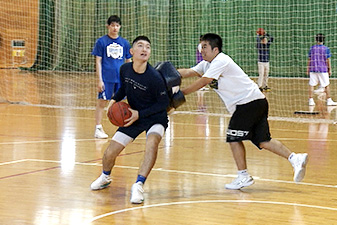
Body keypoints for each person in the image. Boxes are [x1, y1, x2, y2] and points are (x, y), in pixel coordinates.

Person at [178, 33, 308, 190]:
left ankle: (243, 175)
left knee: (233, 137)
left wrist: (182, 93)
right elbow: (187, 72)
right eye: (200, 47)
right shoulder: (206, 65)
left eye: (205, 47)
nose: (201, 50)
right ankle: (295, 158)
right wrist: (162, 76)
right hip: (256, 101)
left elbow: (204, 81)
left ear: (215, 49)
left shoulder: (221, 60)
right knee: (263, 141)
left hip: (248, 103)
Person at [90, 36, 170, 204]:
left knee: (152, 144)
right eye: (140, 46)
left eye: (148, 47)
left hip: (155, 117)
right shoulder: (125, 69)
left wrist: (139, 114)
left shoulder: (154, 77)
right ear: (131, 52)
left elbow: (163, 103)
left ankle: (139, 185)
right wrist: (112, 103)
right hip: (133, 115)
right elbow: (123, 90)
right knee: (110, 151)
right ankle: (105, 177)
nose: (144, 49)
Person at [91, 15, 132, 139]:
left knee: (121, 104)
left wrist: (129, 78)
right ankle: (98, 128)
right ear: (108, 26)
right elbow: (98, 61)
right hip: (107, 78)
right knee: (102, 102)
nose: (115, 28)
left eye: (117, 25)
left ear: (120, 27)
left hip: (120, 79)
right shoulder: (101, 42)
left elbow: (128, 61)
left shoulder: (124, 43)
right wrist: (99, 80)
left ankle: (122, 128)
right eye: (112, 25)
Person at [307, 34, 337, 106]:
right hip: (323, 69)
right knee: (326, 85)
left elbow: (309, 59)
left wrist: (308, 68)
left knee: (311, 84)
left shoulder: (312, 48)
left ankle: (311, 100)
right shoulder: (326, 49)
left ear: (316, 39)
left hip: (313, 68)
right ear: (323, 40)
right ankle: (329, 100)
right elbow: (328, 60)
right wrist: (329, 69)